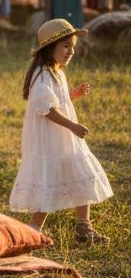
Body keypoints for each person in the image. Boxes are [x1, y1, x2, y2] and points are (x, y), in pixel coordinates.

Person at [10, 19, 112, 243]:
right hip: (52, 139)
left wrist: (73, 95)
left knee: (81, 174)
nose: (71, 51)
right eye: (66, 46)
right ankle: (33, 231)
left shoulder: (56, 72)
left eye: (73, 46)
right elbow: (46, 109)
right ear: (50, 48)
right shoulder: (42, 75)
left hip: (63, 138)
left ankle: (83, 227)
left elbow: (57, 101)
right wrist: (73, 126)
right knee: (49, 182)